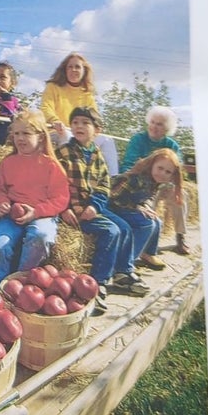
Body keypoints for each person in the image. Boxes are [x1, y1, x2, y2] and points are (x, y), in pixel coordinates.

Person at [56, 106, 149, 311]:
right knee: (111, 230)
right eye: (76, 122)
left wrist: (96, 206)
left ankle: (123, 271)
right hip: (73, 208)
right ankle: (98, 283)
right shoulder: (64, 152)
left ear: (97, 130)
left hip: (91, 206)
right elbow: (55, 182)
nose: (79, 126)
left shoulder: (97, 154)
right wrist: (64, 208)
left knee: (124, 227)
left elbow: (104, 185)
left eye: (85, 123)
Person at [0, 110, 70, 288]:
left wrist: (37, 212)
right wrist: (2, 202)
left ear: (40, 137)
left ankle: (22, 281)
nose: (20, 138)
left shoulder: (51, 165)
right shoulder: (8, 163)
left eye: (26, 133)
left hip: (41, 214)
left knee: (41, 236)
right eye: (16, 134)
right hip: (13, 215)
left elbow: (60, 198)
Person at [120, 106, 190, 255]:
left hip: (164, 184)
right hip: (141, 184)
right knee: (148, 204)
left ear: (167, 129)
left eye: (159, 124)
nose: (154, 126)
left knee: (181, 196)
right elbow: (129, 163)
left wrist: (167, 182)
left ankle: (180, 237)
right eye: (152, 122)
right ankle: (146, 247)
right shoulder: (138, 139)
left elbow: (178, 171)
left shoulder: (172, 145)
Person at [40, 52, 120, 175]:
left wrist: (95, 128)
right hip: (58, 131)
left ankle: (113, 178)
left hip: (80, 132)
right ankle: (69, 176)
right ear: (64, 70)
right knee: (66, 136)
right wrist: (54, 120)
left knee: (107, 140)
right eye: (70, 67)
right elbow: (46, 107)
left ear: (84, 71)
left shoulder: (87, 94)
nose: (73, 70)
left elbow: (94, 117)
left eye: (77, 67)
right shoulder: (53, 87)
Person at [108, 148, 185, 270]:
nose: (162, 173)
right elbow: (114, 197)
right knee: (146, 223)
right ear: (151, 164)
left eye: (168, 172)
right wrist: (137, 207)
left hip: (126, 206)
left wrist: (144, 206)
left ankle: (148, 253)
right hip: (112, 208)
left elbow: (144, 198)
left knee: (156, 220)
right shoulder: (135, 179)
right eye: (160, 168)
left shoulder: (154, 182)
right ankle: (124, 262)